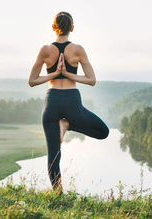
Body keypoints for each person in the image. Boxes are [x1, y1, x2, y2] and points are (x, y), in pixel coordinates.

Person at [28, 11, 109, 194]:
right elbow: (92, 80)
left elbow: (32, 81)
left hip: (52, 102)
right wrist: (70, 74)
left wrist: (54, 74)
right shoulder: (78, 50)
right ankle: (67, 124)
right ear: (72, 28)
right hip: (72, 101)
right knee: (103, 131)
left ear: (53, 27)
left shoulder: (45, 50)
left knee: (53, 155)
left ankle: (58, 195)